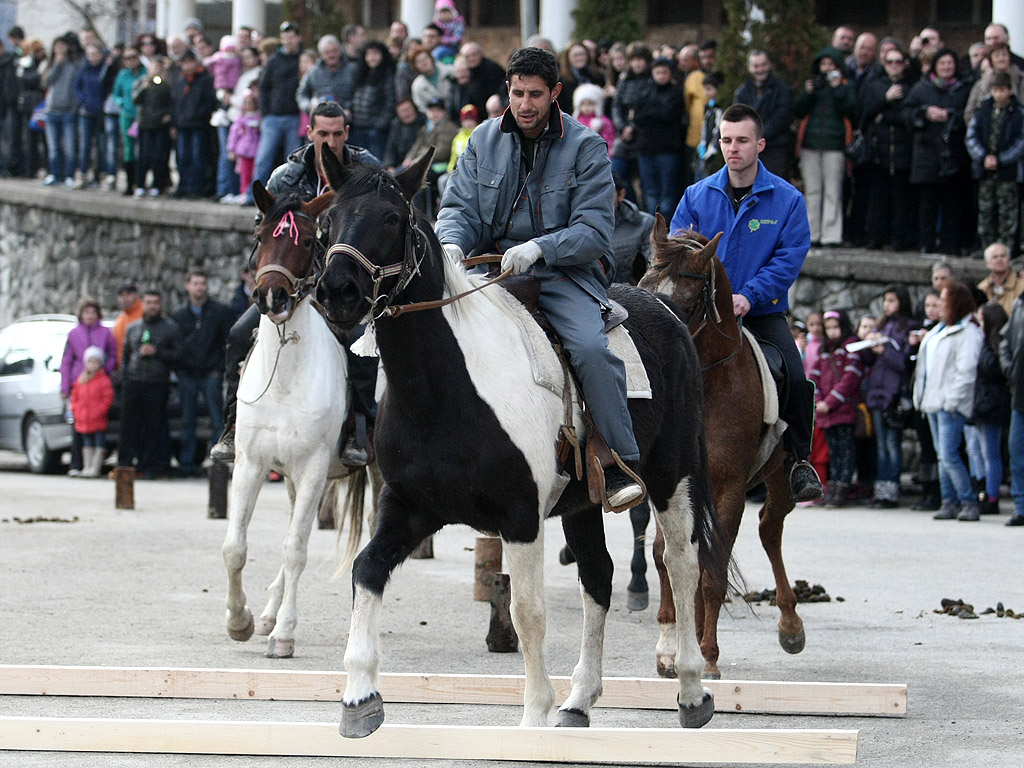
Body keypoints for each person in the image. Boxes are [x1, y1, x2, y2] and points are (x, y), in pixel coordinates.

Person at [435, 46, 645, 510]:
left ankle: (616, 463)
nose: (525, 104)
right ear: (506, 91)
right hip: (490, 270)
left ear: (555, 93)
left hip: (562, 275)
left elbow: (594, 232)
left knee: (590, 349)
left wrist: (540, 248)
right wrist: (450, 243)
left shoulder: (587, 146)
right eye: (516, 93)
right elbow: (457, 208)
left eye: (534, 94)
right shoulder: (482, 139)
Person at [210, 100, 382, 465]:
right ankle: (231, 425)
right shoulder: (284, 178)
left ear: (347, 134)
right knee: (239, 335)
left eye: (338, 134)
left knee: (359, 345)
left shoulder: (366, 170)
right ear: (310, 133)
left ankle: (360, 429)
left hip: (345, 282)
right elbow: (266, 234)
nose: (330, 141)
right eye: (323, 134)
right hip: (294, 280)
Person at [671, 103, 823, 502]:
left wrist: (749, 296)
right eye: (725, 140)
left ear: (760, 144)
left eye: (741, 140)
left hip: (762, 314)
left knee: (794, 373)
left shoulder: (787, 200)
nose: (732, 148)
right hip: (703, 315)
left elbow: (789, 259)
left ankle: (798, 461)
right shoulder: (695, 195)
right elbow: (678, 251)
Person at [912, 281, 983, 521]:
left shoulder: (969, 332)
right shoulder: (938, 330)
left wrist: (952, 400)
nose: (940, 305)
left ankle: (968, 501)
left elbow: (966, 371)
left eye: (944, 300)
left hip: (949, 403)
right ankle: (948, 501)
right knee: (942, 455)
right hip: (932, 401)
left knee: (949, 454)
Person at [904, 47, 971, 255]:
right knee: (927, 204)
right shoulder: (921, 88)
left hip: (953, 154)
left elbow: (969, 115)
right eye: (942, 63)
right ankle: (926, 243)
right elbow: (906, 114)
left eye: (950, 63)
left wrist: (951, 116)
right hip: (927, 154)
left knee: (952, 204)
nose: (946, 67)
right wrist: (924, 113)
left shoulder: (963, 89)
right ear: (935, 66)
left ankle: (951, 245)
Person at [859, 284, 919, 508]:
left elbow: (905, 363)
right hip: (877, 392)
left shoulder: (908, 327)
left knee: (892, 445)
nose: (887, 305)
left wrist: (885, 350)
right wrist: (867, 343)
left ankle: (891, 490)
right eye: (885, 300)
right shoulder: (882, 325)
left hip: (893, 394)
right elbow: (868, 360)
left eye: (892, 300)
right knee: (881, 445)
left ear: (901, 302)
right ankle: (881, 490)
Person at [171, 270, 234, 477]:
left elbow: (227, 342)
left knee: (217, 419)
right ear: (187, 286)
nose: (199, 287)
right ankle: (187, 463)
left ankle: (218, 462)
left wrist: (219, 369)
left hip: (211, 373)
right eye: (195, 283)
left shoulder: (219, 312)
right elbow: (176, 345)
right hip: (188, 374)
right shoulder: (179, 316)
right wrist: (181, 369)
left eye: (202, 283)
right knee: (187, 419)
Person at [793, 45, 857, 247]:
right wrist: (809, 93)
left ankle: (831, 235)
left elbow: (851, 109)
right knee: (812, 191)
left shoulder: (846, 86)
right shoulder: (813, 86)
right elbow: (799, 110)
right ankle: (812, 233)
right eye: (824, 64)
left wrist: (838, 88)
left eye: (831, 64)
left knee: (833, 191)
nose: (827, 68)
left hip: (835, 145)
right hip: (810, 145)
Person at [119, 290, 180, 479]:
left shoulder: (170, 328)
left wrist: (157, 353)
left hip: (156, 383)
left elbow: (178, 355)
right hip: (134, 381)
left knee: (154, 427)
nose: (152, 306)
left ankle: (150, 466)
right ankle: (125, 466)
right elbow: (126, 355)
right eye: (148, 302)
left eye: (155, 302)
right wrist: (125, 378)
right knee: (129, 427)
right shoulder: (133, 327)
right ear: (142, 304)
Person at [860, 46, 916, 250]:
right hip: (878, 151)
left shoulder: (910, 87)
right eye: (890, 62)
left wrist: (885, 116)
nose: (894, 66)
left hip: (902, 151)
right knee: (877, 199)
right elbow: (866, 114)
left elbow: (908, 117)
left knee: (901, 200)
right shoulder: (875, 86)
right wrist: (886, 99)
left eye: (898, 61)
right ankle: (875, 238)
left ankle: (899, 240)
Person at [808, 310, 864, 507]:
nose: (832, 332)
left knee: (846, 450)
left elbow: (850, 380)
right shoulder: (824, 351)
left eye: (835, 327)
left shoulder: (850, 348)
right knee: (833, 452)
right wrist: (818, 401)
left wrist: (830, 402)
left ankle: (842, 489)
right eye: (829, 328)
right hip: (826, 414)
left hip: (843, 410)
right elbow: (813, 377)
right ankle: (832, 489)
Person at [966, 70, 1024, 250]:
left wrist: (1001, 159)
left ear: (1009, 90)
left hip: (1008, 171)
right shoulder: (983, 111)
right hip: (985, 169)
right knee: (985, 211)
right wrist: (983, 157)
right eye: (995, 90)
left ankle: (1006, 250)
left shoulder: (1018, 113)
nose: (999, 94)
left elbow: (1020, 142)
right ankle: (987, 249)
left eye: (1002, 90)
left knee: (1007, 213)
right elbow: (971, 136)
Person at [60, 297, 118, 476]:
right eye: (86, 312)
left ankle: (95, 466)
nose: (90, 316)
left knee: (97, 429)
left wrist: (105, 370)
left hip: (98, 383)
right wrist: (65, 386)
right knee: (78, 427)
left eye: (93, 312)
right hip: (80, 382)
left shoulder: (105, 333)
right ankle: (77, 464)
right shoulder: (74, 334)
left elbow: (113, 354)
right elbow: (67, 360)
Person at [254, 22, 303, 191]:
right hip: (273, 116)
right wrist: (265, 112)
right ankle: (255, 194)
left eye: (291, 37)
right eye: (284, 38)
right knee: (263, 158)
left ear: (298, 38)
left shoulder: (302, 58)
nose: (288, 41)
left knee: (294, 160)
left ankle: (291, 194)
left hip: (294, 116)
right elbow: (263, 86)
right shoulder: (274, 60)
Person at [633, 57, 685, 215]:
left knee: (667, 192)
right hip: (646, 148)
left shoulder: (675, 94)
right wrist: (655, 113)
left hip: (667, 149)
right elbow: (637, 117)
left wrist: (651, 113)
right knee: (650, 191)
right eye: (658, 72)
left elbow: (668, 115)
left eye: (664, 72)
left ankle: (666, 227)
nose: (661, 76)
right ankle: (651, 226)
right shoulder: (645, 92)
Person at [973, 302, 1010, 515]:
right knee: (980, 451)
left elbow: (991, 368)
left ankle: (992, 494)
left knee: (991, 453)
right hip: (984, 401)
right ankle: (985, 491)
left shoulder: (995, 343)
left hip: (992, 403)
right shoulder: (985, 341)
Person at [732, 50, 793, 178]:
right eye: (756, 66)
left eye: (763, 65)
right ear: (749, 68)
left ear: (769, 65)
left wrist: (758, 134)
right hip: (750, 148)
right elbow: (739, 117)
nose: (760, 70)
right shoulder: (742, 91)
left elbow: (781, 118)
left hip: (775, 147)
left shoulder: (781, 89)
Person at [171, 51, 218, 198]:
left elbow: (209, 102)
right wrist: (174, 123)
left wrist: (198, 114)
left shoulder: (205, 80)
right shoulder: (180, 81)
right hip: (182, 124)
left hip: (198, 124)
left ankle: (196, 187)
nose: (187, 66)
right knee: (182, 156)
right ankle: (183, 185)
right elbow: (175, 104)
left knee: (198, 156)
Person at [69, 346, 114, 477]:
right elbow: (75, 397)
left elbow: (107, 398)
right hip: (84, 419)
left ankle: (95, 468)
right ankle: (87, 467)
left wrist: (99, 411)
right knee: (87, 443)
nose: (93, 365)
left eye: (96, 362)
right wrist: (76, 411)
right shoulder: (81, 380)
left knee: (99, 443)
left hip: (98, 419)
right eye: (90, 362)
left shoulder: (103, 380)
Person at [999, 292, 1024, 525]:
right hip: (1020, 393)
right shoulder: (1019, 304)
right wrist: (1010, 370)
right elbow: (1005, 341)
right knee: (1016, 454)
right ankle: (1021, 507)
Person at [131, 55, 173, 196]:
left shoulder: (165, 85)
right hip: (145, 124)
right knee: (143, 156)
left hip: (159, 124)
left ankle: (157, 184)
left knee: (158, 156)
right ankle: (140, 184)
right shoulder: (142, 82)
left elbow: (170, 102)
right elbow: (135, 100)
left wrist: (167, 115)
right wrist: (143, 88)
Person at [609, 171, 654, 284]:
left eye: (607, 192)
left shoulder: (645, 224)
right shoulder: (576, 227)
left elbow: (654, 269)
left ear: (621, 195)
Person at [225, 90, 260, 204]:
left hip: (256, 151)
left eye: (251, 103)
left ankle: (254, 195)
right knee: (244, 175)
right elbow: (234, 135)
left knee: (255, 175)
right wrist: (232, 149)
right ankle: (244, 193)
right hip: (244, 152)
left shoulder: (259, 118)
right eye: (247, 103)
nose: (249, 106)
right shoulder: (240, 120)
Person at [977, 241, 1024, 314]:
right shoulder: (982, 288)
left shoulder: (1022, 286)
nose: (999, 259)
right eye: (995, 257)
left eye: (1003, 256)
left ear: (1009, 259)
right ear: (987, 263)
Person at [111, 283, 143, 365]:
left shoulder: (145, 315)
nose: (124, 298)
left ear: (136, 295)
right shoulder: (120, 320)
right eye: (121, 295)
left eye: (128, 294)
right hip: (122, 369)